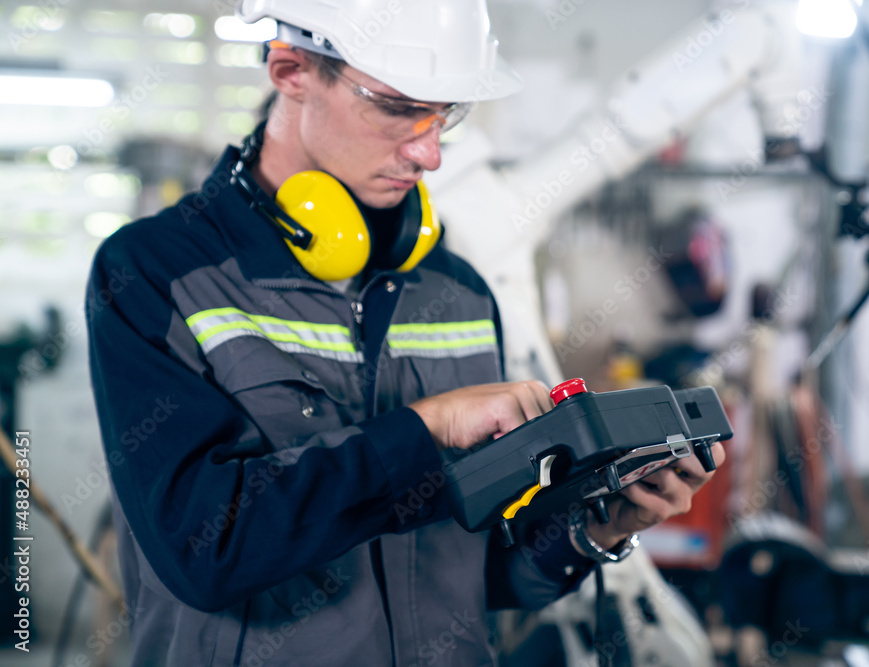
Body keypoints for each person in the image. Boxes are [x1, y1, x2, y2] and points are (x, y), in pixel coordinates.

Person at [85, 1, 725, 665]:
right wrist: (428, 428)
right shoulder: (157, 273)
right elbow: (202, 548)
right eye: (397, 106)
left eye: (446, 112)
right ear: (292, 69)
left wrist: (592, 528)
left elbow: (477, 570)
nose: (431, 152)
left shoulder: (459, 293)